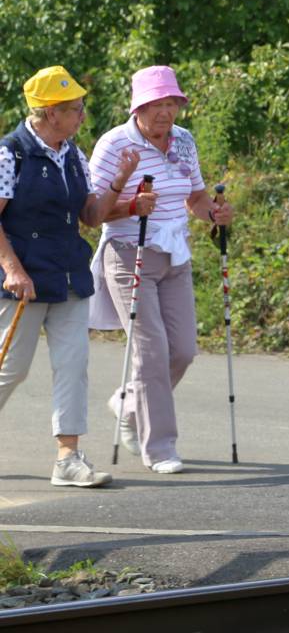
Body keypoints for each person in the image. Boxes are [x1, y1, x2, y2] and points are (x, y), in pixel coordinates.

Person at [0, 67, 146, 488]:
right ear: (48, 113)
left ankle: (68, 458)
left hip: (68, 276)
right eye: (74, 109)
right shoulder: (12, 154)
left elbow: (90, 216)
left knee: (73, 366)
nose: (82, 115)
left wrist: (120, 182)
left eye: (81, 107)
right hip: (23, 282)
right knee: (11, 369)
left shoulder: (73, 154)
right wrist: (11, 268)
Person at [87, 65, 233, 475]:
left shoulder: (183, 141)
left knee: (183, 350)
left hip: (175, 254)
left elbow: (196, 196)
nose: (164, 113)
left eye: (171, 103)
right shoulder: (115, 144)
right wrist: (131, 205)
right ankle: (161, 446)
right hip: (129, 252)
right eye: (155, 105)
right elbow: (94, 213)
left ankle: (128, 403)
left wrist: (216, 214)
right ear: (138, 107)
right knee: (151, 353)